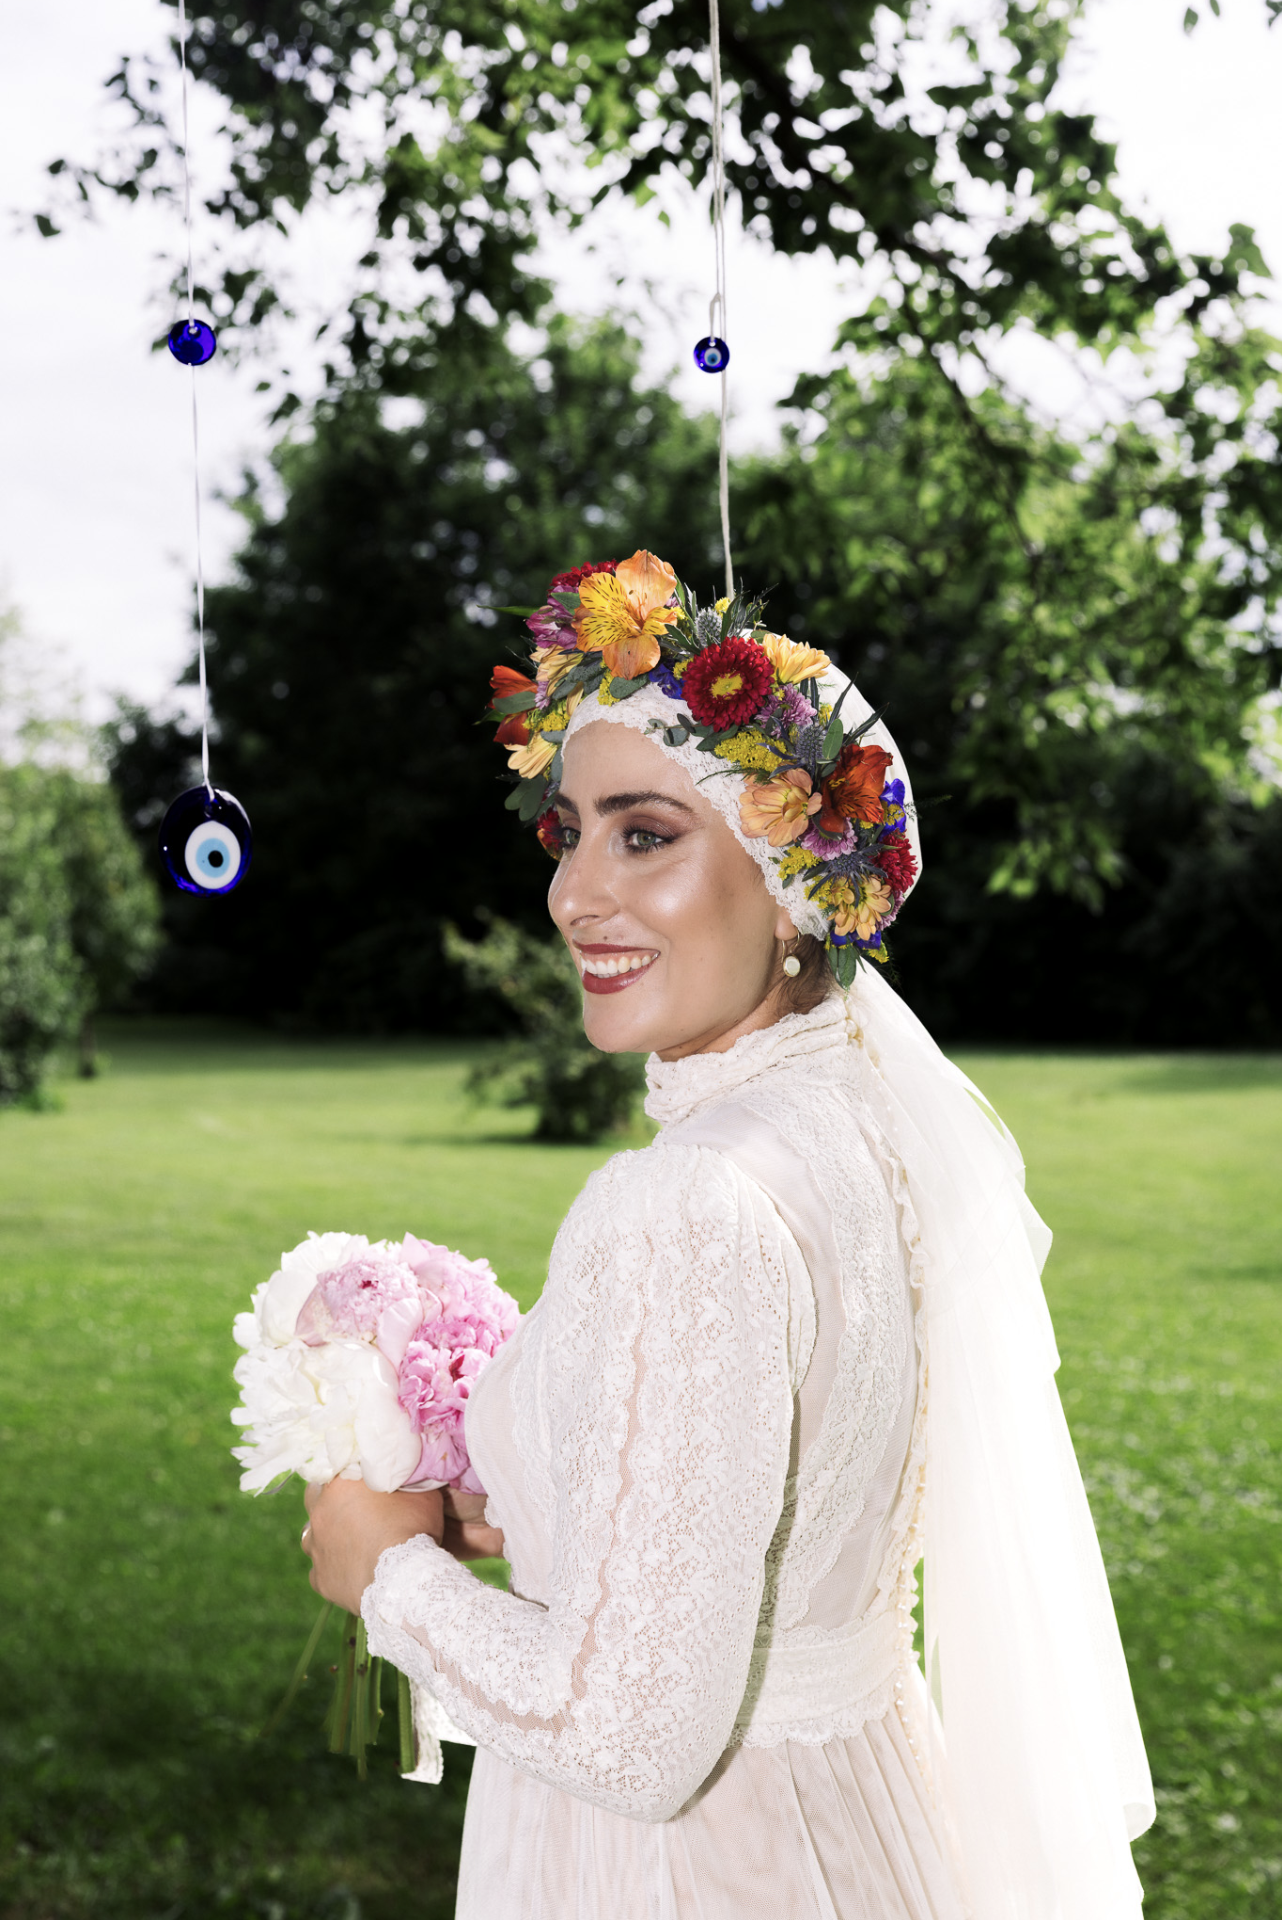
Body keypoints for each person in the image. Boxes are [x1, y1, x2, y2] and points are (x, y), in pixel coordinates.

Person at [302, 553, 1154, 1919]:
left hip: (681, 1873)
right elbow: (786, 1495)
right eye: (567, 833)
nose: (574, 896)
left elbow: (631, 1737)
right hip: (864, 1829)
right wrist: (529, 1503)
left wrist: (382, 1572)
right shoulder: (871, 1134)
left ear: (792, 878)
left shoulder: (683, 1203)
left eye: (644, 833)